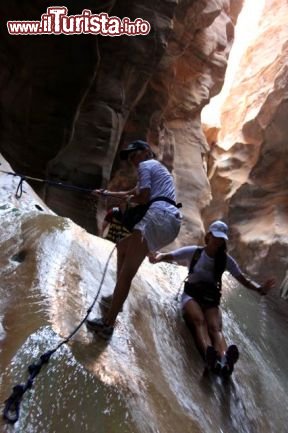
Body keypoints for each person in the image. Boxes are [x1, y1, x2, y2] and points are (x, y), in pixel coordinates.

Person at [150, 220, 275, 376]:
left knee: (215, 328)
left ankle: (225, 360)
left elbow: (243, 280)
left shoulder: (226, 260)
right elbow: (171, 256)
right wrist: (158, 257)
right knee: (199, 320)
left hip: (210, 299)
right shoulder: (195, 252)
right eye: (216, 237)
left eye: (221, 239)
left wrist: (260, 289)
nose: (218, 241)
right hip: (192, 295)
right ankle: (210, 357)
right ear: (208, 236)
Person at [86, 139, 182, 339]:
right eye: (130, 157)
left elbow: (143, 197)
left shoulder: (147, 165)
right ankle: (116, 300)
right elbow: (131, 193)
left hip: (158, 216)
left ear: (146, 151)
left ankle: (107, 324)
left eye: (134, 154)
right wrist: (105, 194)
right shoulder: (156, 170)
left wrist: (130, 200)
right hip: (169, 220)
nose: (132, 159)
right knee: (122, 247)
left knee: (127, 272)